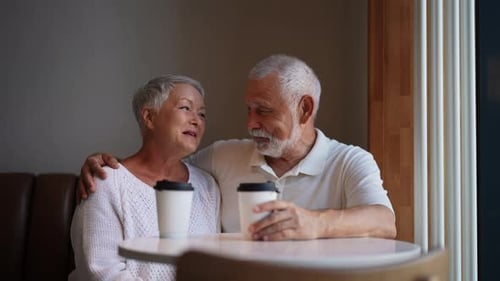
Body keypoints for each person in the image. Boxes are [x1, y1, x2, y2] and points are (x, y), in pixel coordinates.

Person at [79, 54, 396, 241]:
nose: (251, 123)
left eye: (264, 110)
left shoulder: (350, 161)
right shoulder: (223, 156)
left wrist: (315, 223)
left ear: (304, 109)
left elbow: (384, 222)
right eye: (249, 110)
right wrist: (108, 164)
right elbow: (161, 164)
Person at [69, 75, 220, 281]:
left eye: (202, 114)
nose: (196, 120)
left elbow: (213, 264)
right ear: (149, 117)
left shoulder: (207, 186)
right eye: (185, 108)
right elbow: (100, 272)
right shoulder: (106, 182)